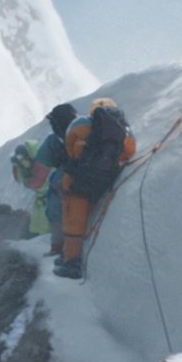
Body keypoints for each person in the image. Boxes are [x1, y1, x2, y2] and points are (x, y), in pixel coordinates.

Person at [54, 98, 135, 279]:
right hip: (105, 180)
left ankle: (71, 263)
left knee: (73, 219)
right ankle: (69, 254)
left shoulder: (81, 123)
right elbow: (130, 151)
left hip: (79, 178)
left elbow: (69, 145)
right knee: (87, 211)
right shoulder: (124, 129)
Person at [37, 104, 77, 257]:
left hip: (65, 176)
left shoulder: (55, 139)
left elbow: (44, 159)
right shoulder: (85, 129)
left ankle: (58, 247)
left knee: (55, 209)